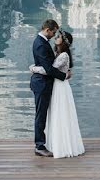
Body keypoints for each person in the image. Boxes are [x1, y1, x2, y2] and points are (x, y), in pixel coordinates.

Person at [30, 30, 85, 158]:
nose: (56, 37)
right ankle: (55, 143)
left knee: (60, 114)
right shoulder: (59, 54)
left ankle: (62, 144)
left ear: (64, 41)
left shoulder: (63, 55)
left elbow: (48, 70)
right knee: (55, 114)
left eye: (59, 36)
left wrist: (32, 68)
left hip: (60, 88)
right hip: (56, 86)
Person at [30, 19, 70, 157]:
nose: (54, 35)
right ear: (48, 30)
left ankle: (43, 143)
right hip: (41, 83)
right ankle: (39, 146)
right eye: (53, 32)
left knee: (43, 114)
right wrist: (64, 76)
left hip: (43, 83)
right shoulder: (41, 44)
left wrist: (34, 68)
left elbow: (47, 65)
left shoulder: (42, 42)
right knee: (41, 115)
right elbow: (48, 69)